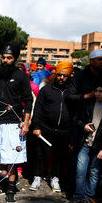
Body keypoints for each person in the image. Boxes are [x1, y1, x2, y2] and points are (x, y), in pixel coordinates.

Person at [0, 42, 33, 203]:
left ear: (15, 58)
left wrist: (26, 124)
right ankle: (0, 185)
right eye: (3, 57)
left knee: (11, 159)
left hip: (13, 123)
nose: (5, 60)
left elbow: (28, 101)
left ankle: (10, 190)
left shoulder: (21, 76)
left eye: (9, 58)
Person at [64, 81, 102, 203]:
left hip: (99, 146)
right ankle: (79, 197)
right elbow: (77, 119)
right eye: (96, 91)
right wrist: (84, 125)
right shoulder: (89, 104)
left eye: (101, 91)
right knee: (80, 170)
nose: (97, 94)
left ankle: (89, 198)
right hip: (86, 142)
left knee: (94, 172)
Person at [30, 62, 74, 192]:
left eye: (64, 76)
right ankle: (37, 177)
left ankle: (55, 178)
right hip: (45, 128)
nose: (61, 78)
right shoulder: (46, 90)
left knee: (59, 155)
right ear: (55, 74)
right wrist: (36, 126)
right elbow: (38, 109)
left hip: (63, 130)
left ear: (69, 77)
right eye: (59, 75)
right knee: (39, 154)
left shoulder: (71, 92)